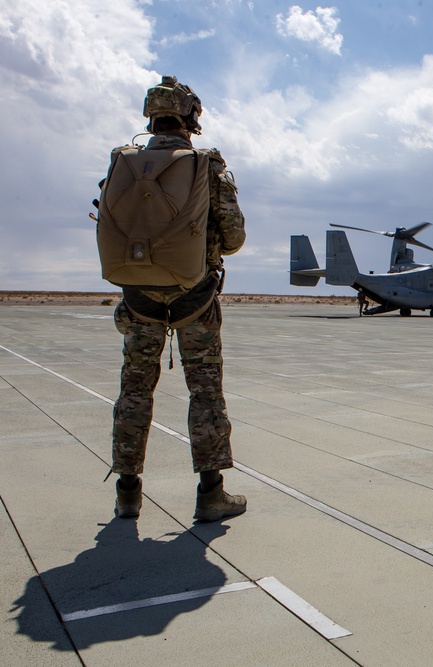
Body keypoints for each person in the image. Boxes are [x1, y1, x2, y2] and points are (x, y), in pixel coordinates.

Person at [104, 75, 248, 523]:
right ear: (190, 116)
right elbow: (234, 237)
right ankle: (211, 493)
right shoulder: (206, 166)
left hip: (139, 299)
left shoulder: (125, 163)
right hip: (195, 300)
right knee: (204, 393)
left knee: (134, 390)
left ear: (152, 116)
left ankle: (127, 492)